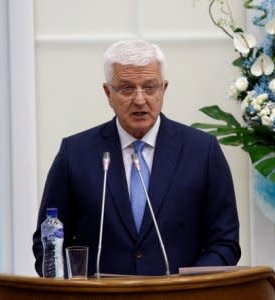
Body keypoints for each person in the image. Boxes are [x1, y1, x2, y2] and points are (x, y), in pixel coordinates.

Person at [32, 39, 241, 276]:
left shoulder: (202, 151)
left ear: (164, 88)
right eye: (127, 88)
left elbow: (225, 243)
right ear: (108, 93)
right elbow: (47, 244)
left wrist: (187, 287)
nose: (140, 99)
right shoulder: (75, 153)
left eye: (150, 87)